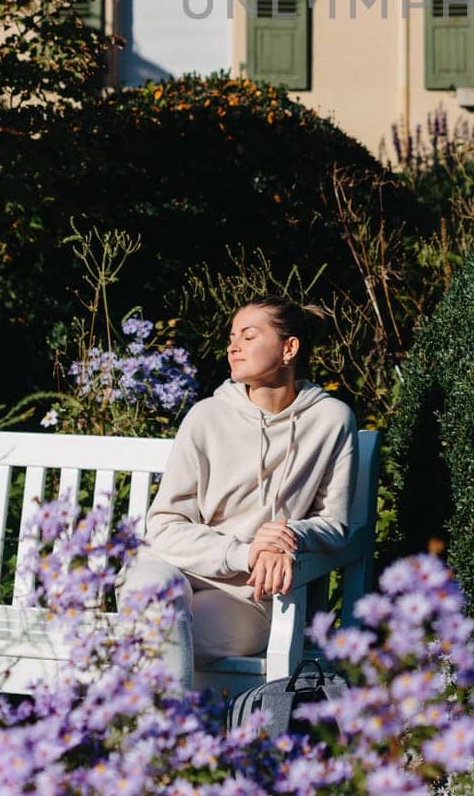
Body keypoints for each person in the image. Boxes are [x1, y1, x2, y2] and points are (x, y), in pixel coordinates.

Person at [117, 296, 358, 691]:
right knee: (151, 601)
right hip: (177, 565)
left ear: (289, 348)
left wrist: (289, 535)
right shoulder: (206, 416)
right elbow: (163, 525)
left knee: (151, 641)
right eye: (232, 337)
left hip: (248, 596)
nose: (233, 347)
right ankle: (170, 744)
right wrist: (244, 551)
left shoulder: (330, 419)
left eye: (249, 336)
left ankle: (153, 746)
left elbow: (333, 524)